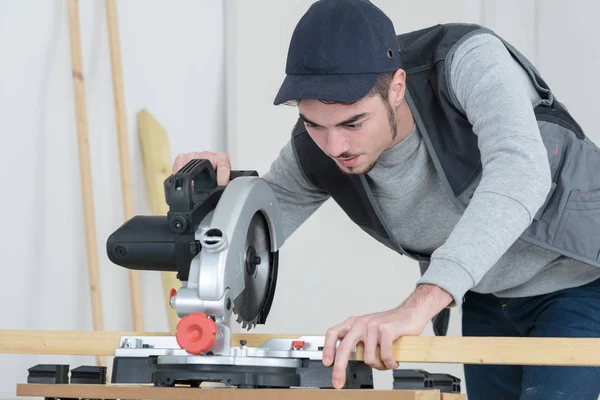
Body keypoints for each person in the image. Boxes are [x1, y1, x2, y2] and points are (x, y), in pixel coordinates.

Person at [173, 0, 600, 398]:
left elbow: (520, 173)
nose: (335, 145)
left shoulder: (466, 60)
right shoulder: (314, 149)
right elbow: (249, 235)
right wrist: (203, 205)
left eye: (353, 122)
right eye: (314, 124)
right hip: (488, 296)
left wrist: (419, 303)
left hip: (579, 278)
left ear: (397, 87)